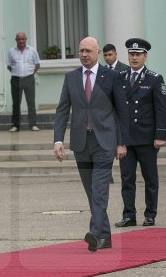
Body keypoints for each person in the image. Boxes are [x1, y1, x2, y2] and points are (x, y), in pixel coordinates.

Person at [53, 36, 124, 252]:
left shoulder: (111, 77)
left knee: (100, 189)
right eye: (81, 50)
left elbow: (122, 111)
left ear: (98, 52)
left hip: (104, 142)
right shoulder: (71, 78)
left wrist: (121, 143)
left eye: (88, 51)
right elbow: (62, 110)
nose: (84, 54)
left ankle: (94, 233)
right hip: (81, 143)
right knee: (90, 191)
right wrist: (58, 139)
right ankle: (106, 237)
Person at [114, 38, 166, 228]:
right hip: (126, 139)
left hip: (146, 137)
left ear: (145, 56)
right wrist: (117, 139)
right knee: (126, 178)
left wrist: (160, 135)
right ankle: (129, 215)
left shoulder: (154, 78)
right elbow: (115, 109)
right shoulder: (119, 77)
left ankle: (150, 214)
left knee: (150, 178)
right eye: (131, 54)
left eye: (138, 54)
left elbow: (161, 109)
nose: (134, 57)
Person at [6, 31, 41, 132]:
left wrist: (30, 73)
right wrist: (17, 73)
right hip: (15, 79)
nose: (21, 41)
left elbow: (37, 65)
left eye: (23, 39)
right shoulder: (11, 51)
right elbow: (9, 65)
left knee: (31, 102)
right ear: (16, 40)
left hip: (29, 78)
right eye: (19, 39)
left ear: (26, 39)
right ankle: (15, 125)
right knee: (16, 103)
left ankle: (33, 124)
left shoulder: (32, 50)